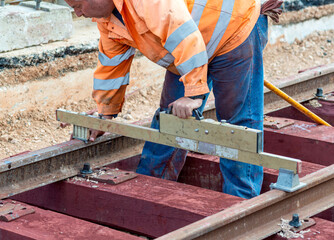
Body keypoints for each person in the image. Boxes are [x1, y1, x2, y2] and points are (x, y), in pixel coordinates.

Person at [64, 0, 282, 199]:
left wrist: (193, 94)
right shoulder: (108, 20)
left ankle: (241, 201)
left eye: (78, 5)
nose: (78, 13)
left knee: (238, 125)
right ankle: (151, 190)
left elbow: (183, 34)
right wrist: (105, 113)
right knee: (169, 120)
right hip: (189, 48)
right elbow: (112, 65)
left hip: (234, 29)